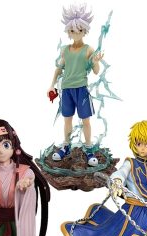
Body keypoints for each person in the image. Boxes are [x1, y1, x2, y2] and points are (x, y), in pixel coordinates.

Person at [47, 3, 103, 166]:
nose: (76, 33)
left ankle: (89, 148)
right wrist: (51, 85)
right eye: (72, 30)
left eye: (79, 30)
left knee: (85, 120)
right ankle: (66, 145)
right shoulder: (65, 49)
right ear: (68, 31)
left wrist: (96, 61)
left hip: (81, 90)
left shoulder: (88, 49)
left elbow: (96, 71)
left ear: (85, 30)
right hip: (66, 89)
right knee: (67, 120)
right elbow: (59, 68)